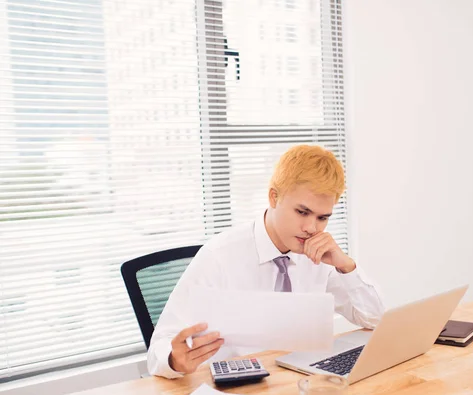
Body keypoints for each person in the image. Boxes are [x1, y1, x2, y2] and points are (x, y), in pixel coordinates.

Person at [148, 145, 385, 378]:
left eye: (322, 218)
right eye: (302, 212)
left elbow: (375, 319)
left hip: (300, 383)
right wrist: (174, 359)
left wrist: (346, 266)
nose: (311, 228)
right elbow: (159, 348)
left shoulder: (320, 254)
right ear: (274, 197)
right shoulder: (219, 256)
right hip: (239, 390)